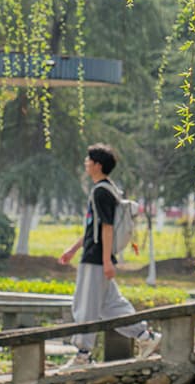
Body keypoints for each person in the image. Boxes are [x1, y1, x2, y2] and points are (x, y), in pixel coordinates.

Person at [58, 143, 161, 366]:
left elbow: (107, 227)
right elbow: (92, 228)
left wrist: (106, 261)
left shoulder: (100, 192)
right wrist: (73, 249)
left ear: (97, 165)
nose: (86, 163)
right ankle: (146, 336)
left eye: (88, 160)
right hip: (96, 256)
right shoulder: (108, 189)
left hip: (95, 259)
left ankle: (83, 355)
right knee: (111, 305)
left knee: (85, 305)